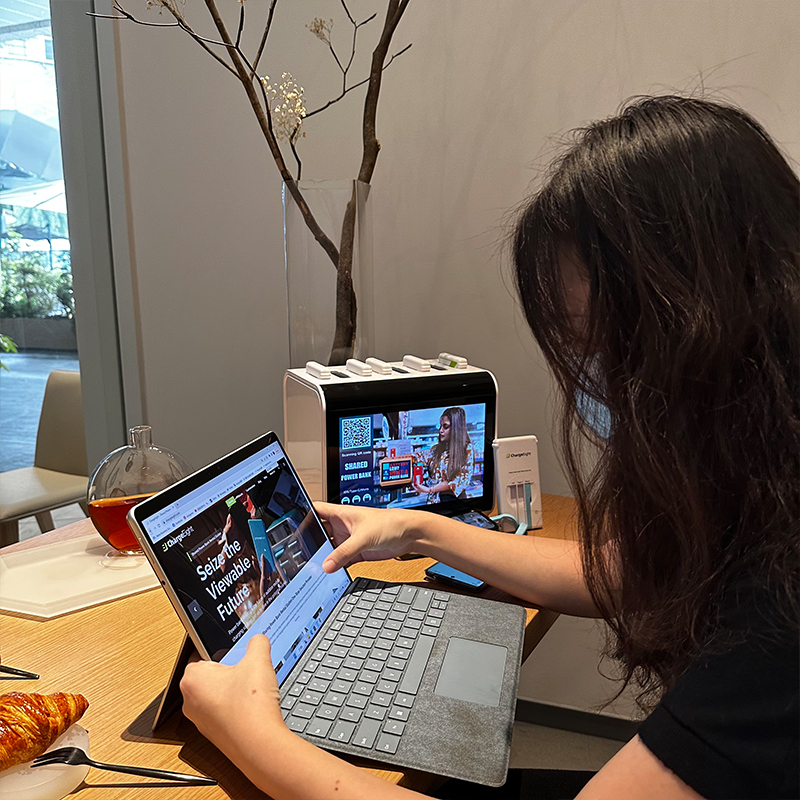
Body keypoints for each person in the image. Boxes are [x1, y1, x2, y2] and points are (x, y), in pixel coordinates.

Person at [180, 96, 799, 800]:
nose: (593, 382)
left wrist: (254, 734)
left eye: (602, 352)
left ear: (701, 336)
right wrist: (417, 528)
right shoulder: (765, 495)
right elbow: (622, 572)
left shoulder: (781, 619)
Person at [413, 407, 475, 503]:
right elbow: (417, 457)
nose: (441, 431)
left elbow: (456, 482)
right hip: (435, 504)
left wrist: (428, 489)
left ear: (456, 428)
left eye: (445, 427)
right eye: (440, 426)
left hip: (455, 505)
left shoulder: (467, 450)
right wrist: (393, 459)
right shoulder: (436, 450)